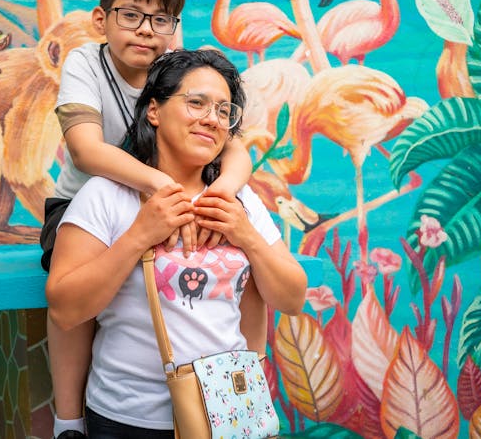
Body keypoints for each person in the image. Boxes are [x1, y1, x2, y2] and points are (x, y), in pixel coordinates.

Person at [41, 0, 254, 439]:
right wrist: (160, 183)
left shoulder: (180, 71)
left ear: (174, 26)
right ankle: (70, 418)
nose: (144, 31)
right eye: (131, 15)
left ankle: (245, 385)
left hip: (179, 198)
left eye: (160, 20)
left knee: (246, 258)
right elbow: (86, 150)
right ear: (102, 19)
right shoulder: (85, 63)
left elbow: (237, 149)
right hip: (84, 204)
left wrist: (219, 194)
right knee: (70, 277)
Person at [46, 49, 307, 438]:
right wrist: (140, 236)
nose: (211, 119)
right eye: (196, 103)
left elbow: (293, 298)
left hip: (228, 416)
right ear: (154, 111)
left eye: (223, 110)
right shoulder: (105, 196)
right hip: (129, 420)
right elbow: (66, 310)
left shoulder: (240, 201)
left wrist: (247, 236)